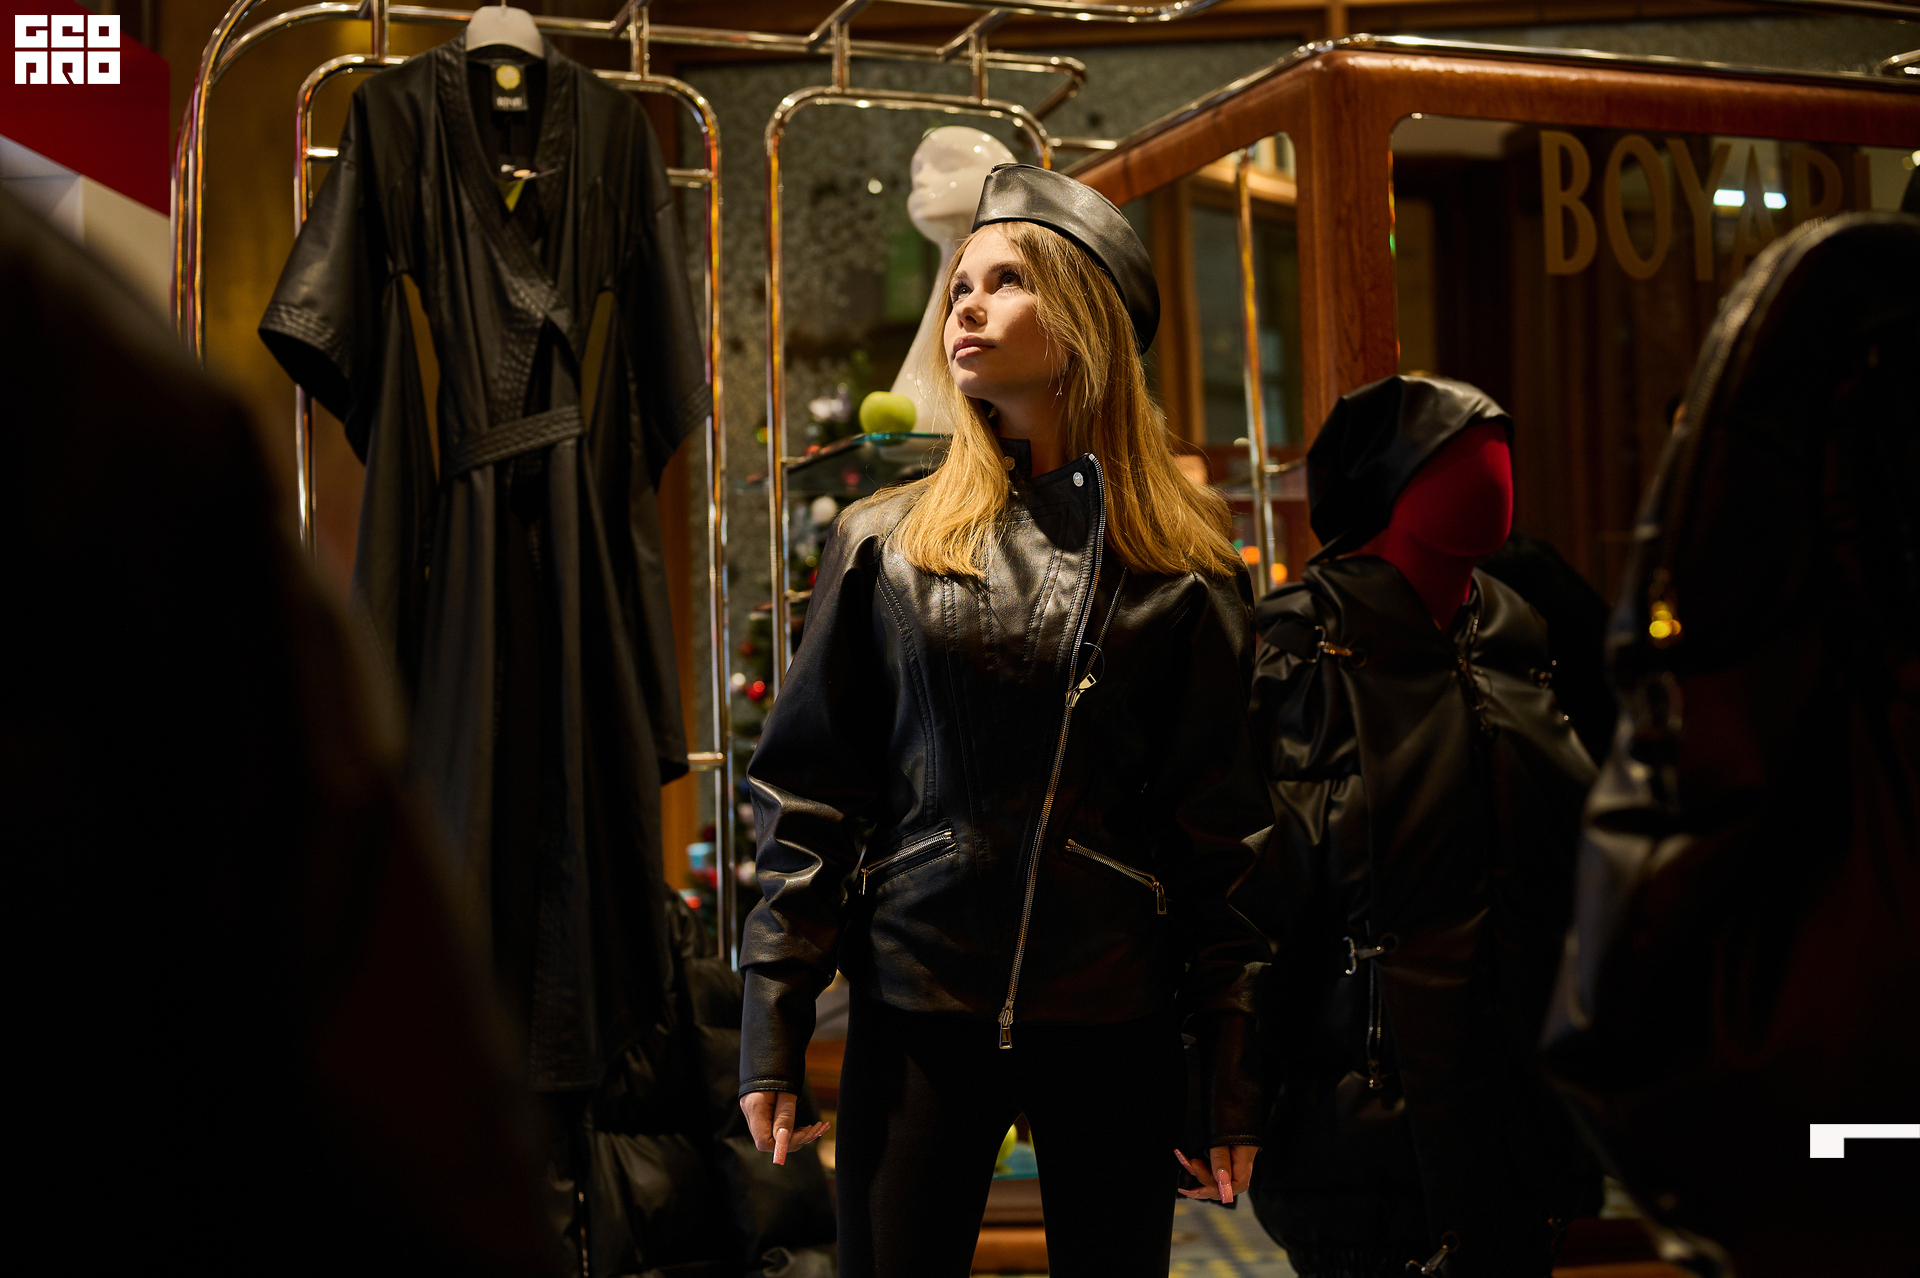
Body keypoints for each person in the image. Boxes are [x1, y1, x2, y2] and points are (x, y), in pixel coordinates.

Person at [735, 164, 1274, 1278]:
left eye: (1006, 280)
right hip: (918, 999)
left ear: (1082, 319)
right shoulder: (886, 541)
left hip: (1114, 1011)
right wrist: (772, 1020)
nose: (966, 306)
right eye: (960, 287)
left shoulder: (1182, 568)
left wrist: (1230, 1066)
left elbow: (1226, 836)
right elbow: (809, 788)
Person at [1242, 377, 1600, 1278]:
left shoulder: (1519, 640)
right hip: (1359, 1126)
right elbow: (1255, 900)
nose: (1492, 470)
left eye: (1496, 445)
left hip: (1521, 1114)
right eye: (1452, 452)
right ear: (1388, 478)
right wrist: (1221, 1092)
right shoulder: (1296, 649)